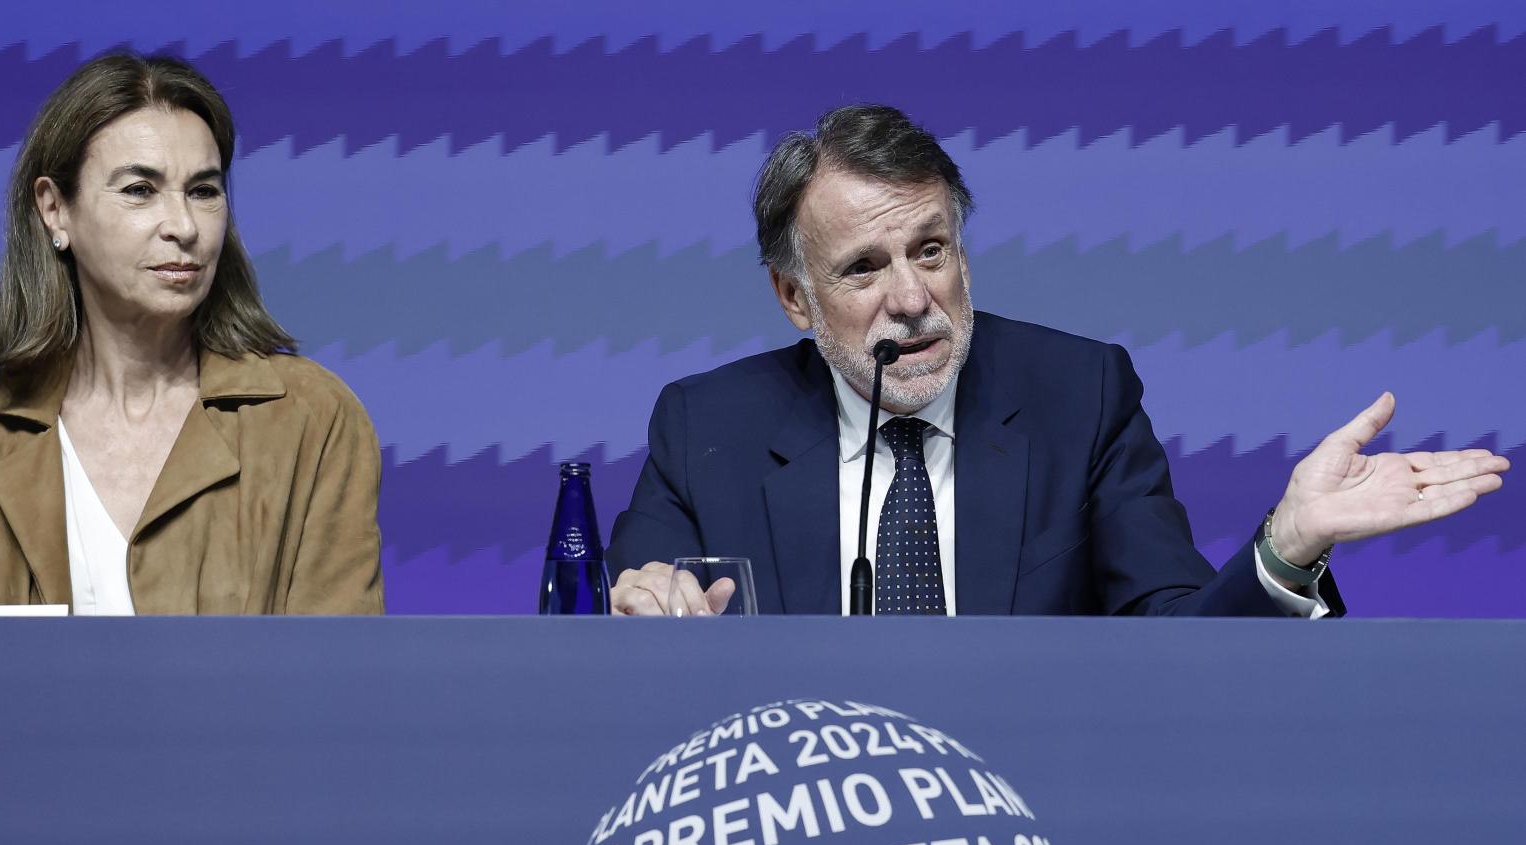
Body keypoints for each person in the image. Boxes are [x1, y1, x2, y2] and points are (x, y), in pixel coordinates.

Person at [606, 105, 1508, 616]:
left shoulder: (1082, 395)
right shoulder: (706, 427)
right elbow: (631, 627)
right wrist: (646, 614)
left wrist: (1288, 545)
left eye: (931, 249)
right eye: (864, 269)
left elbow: (1176, 647)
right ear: (794, 298)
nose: (913, 299)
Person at [0, 54, 383, 614]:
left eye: (204, 190)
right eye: (139, 190)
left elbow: (338, 686)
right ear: (55, 210)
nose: (184, 226)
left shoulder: (313, 420)